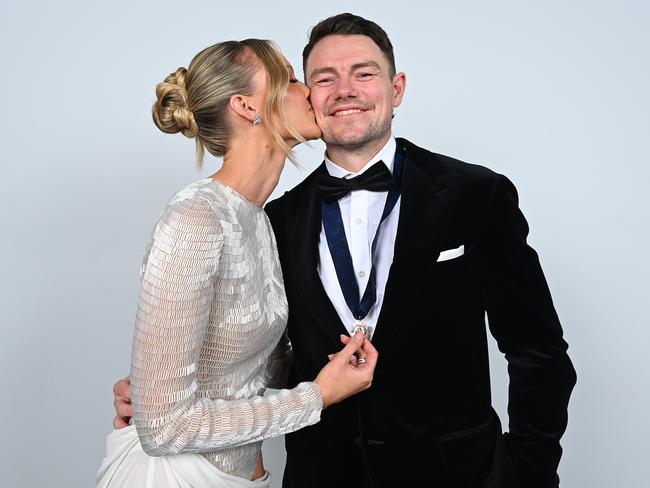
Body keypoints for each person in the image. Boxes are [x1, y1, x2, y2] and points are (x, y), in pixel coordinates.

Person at [114, 13, 577, 488]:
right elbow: (276, 356)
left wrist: (528, 472)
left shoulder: (477, 194)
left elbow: (536, 349)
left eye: (364, 74)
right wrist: (164, 398)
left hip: (459, 475)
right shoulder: (276, 219)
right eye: (319, 78)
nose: (344, 90)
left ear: (396, 89)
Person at [97, 38, 378, 488]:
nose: (309, 89)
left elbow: (241, 373)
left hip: (244, 476)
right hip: (177, 476)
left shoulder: (261, 221)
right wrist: (318, 397)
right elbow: (164, 428)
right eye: (288, 79)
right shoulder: (195, 218)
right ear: (249, 106)